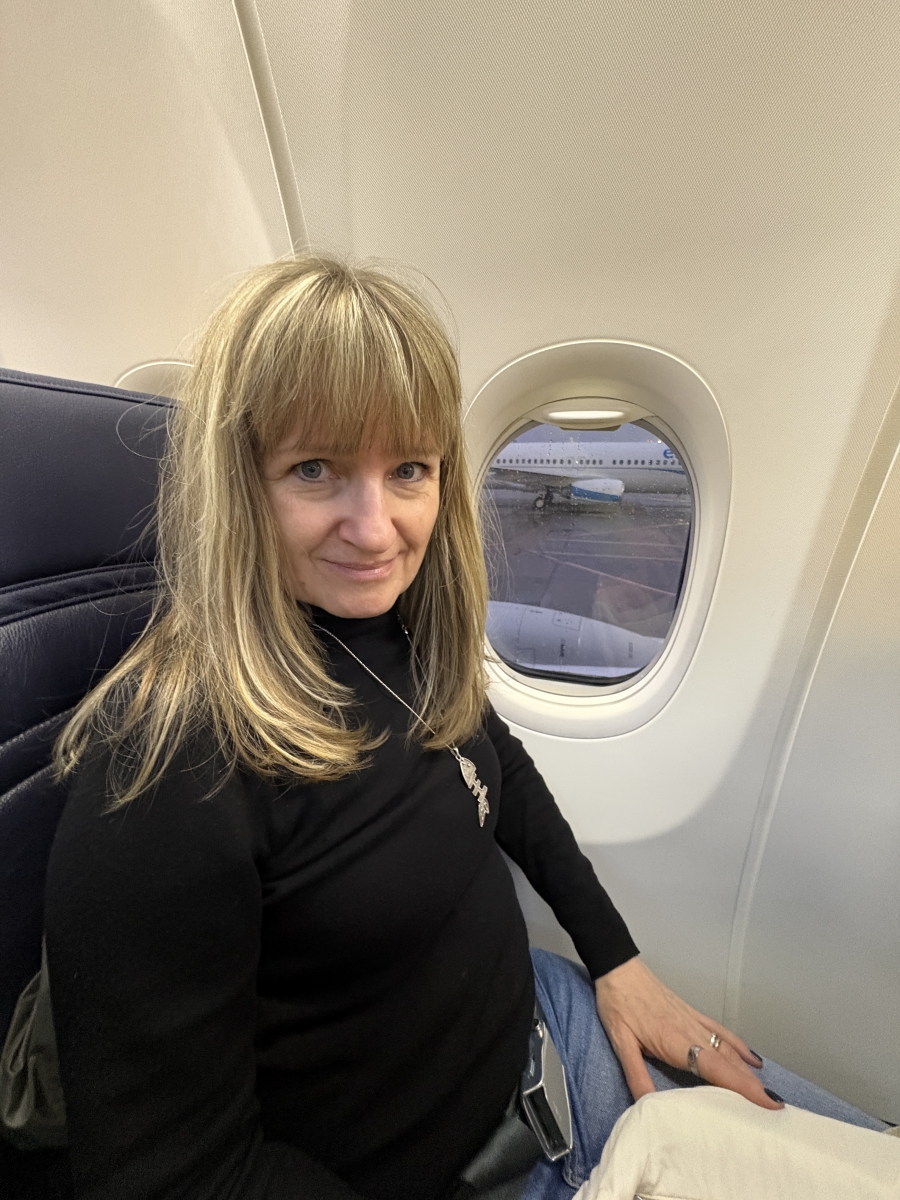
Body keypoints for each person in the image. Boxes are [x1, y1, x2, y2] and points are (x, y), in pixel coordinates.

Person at [45, 256, 887, 1200]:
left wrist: (616, 960)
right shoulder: (162, 770)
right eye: (315, 469)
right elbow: (173, 1176)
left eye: (408, 469)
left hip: (555, 1027)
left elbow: (500, 771)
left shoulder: (392, 630)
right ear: (236, 483)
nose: (377, 529)